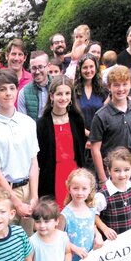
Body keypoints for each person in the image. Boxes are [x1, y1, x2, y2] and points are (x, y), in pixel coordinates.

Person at [0, 69, 40, 235]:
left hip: (29, 187)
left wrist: (34, 196)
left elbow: (33, 161)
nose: (8, 93)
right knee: (4, 239)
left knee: (27, 240)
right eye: (3, 89)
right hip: (4, 192)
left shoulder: (28, 123)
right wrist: (17, 203)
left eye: (12, 88)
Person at [89, 66, 131, 183]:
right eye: (116, 85)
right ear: (109, 87)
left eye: (124, 84)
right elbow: (95, 149)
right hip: (110, 172)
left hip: (130, 170)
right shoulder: (101, 115)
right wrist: (103, 179)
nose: (121, 89)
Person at [37, 75, 84, 205]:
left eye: (67, 93)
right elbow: (40, 157)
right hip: (51, 176)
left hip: (74, 173)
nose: (64, 98)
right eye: (59, 94)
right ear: (52, 96)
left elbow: (81, 150)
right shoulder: (42, 123)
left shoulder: (77, 119)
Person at [72, 53, 108, 171]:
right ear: (80, 69)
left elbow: (106, 113)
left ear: (96, 67)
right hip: (79, 138)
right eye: (85, 67)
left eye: (91, 67)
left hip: (99, 139)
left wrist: (94, 137)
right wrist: (88, 134)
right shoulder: (74, 90)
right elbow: (71, 116)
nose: (88, 70)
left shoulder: (103, 89)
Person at [17, 50, 52, 121]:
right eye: (34, 68)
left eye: (40, 67)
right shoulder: (23, 93)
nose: (37, 71)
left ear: (48, 66)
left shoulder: (58, 87)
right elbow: (23, 122)